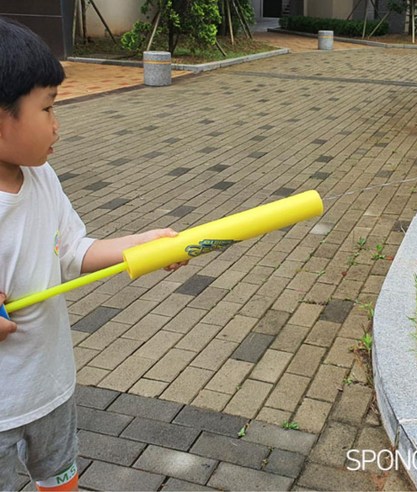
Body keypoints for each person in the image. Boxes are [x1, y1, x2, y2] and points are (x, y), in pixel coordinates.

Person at [0, 17, 185, 491]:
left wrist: (139, 243)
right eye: (47, 109)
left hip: (51, 388)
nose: (57, 125)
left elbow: (74, 251)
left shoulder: (43, 179)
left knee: (61, 482)